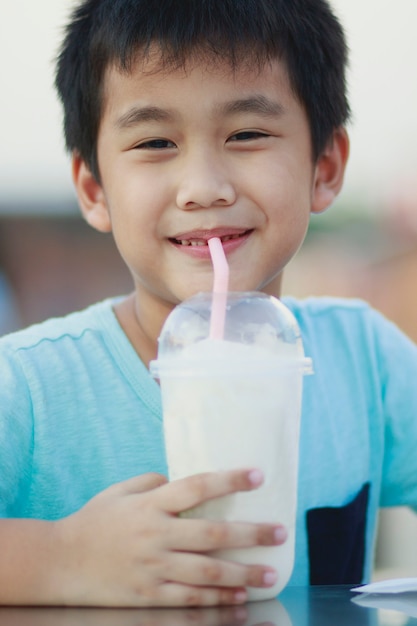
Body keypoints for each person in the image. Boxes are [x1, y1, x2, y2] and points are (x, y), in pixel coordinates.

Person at [0, 0, 416, 609]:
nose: (204, 188)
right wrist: (62, 558)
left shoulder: (367, 362)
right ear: (95, 190)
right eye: (155, 141)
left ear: (323, 167)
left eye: (247, 134)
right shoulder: (29, 388)